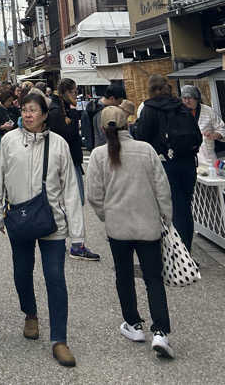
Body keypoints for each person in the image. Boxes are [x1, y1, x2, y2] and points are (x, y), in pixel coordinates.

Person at [0, 90, 83, 368]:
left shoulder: (58, 145)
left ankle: (59, 338)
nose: (28, 114)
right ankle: (30, 313)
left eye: (34, 110)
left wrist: (77, 232)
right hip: (19, 217)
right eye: (25, 109)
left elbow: (70, 189)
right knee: (22, 271)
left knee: (55, 277)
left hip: (52, 220)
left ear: (45, 115)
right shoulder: (9, 141)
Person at [86, 105, 174, 358]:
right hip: (148, 226)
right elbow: (162, 189)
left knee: (124, 276)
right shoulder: (145, 150)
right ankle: (160, 331)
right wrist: (166, 219)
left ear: (102, 128)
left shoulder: (99, 154)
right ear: (129, 124)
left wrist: (106, 215)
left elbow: (94, 195)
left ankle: (133, 324)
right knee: (153, 279)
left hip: (118, 227)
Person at [132, 74, 202, 251]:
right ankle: (186, 249)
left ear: (151, 90)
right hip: (187, 163)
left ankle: (178, 255)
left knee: (170, 207)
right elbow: (198, 137)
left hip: (165, 163)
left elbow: (142, 139)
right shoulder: (182, 106)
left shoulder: (149, 109)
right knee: (185, 207)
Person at [47, 77, 99, 261]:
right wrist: (75, 114)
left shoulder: (60, 109)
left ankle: (67, 242)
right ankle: (75, 244)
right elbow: (65, 136)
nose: (76, 95)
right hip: (65, 163)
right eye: (74, 91)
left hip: (70, 161)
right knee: (73, 201)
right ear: (66, 93)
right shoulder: (56, 111)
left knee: (72, 201)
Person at [180, 84, 225, 168]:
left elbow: (222, 129)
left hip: (208, 159)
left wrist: (215, 135)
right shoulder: (178, 114)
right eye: (184, 98)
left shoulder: (208, 111)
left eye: (189, 98)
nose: (186, 101)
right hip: (189, 160)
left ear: (196, 98)